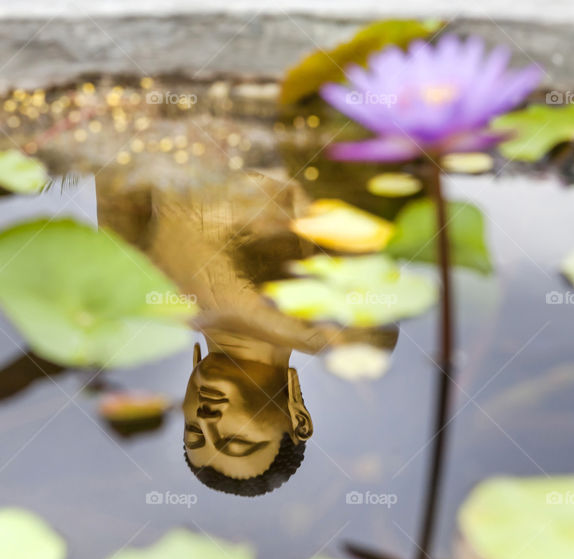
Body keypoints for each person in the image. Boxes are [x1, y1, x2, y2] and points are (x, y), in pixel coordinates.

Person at [98, 168, 396, 496]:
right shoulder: (340, 333)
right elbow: (348, 200)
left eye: (194, 432)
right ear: (298, 419)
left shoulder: (141, 300)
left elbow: (116, 171)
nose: (208, 419)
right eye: (236, 439)